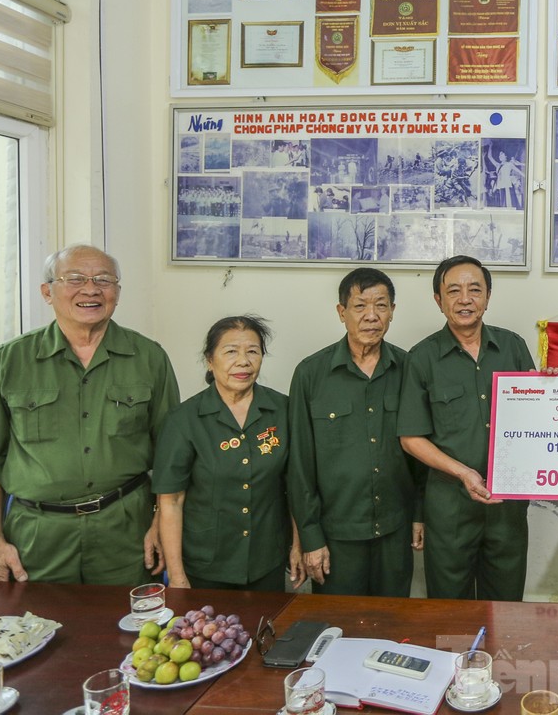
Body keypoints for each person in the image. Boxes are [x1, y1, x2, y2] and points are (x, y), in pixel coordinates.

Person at [0, 245, 179, 584]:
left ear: (117, 292)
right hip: (37, 537)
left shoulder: (149, 358)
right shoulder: (8, 362)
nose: (91, 289)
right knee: (38, 629)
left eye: (103, 280)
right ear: (46, 292)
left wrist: (159, 523)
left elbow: (171, 457)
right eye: (75, 279)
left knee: (131, 630)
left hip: (125, 531)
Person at [399, 255, 535, 601]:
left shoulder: (513, 346)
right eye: (454, 291)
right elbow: (412, 438)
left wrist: (550, 387)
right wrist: (463, 474)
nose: (465, 299)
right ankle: (452, 659)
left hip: (508, 507)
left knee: (504, 607)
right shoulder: (422, 357)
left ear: (488, 296)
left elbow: (538, 416)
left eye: (475, 290)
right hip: (450, 509)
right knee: (449, 611)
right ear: (438, 300)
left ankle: (497, 659)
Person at [287, 268, 423, 596]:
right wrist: (311, 538)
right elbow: (299, 465)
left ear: (392, 311)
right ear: (341, 312)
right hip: (335, 536)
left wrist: (419, 516)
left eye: (381, 306)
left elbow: (421, 452)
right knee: (338, 629)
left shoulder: (409, 369)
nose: (371, 316)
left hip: (395, 530)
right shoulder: (311, 374)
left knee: (393, 626)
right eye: (360, 306)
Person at [153, 316, 304, 591]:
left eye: (253, 351)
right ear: (210, 360)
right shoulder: (184, 420)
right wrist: (177, 577)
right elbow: (171, 501)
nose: (243, 361)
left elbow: (296, 485)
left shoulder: (284, 410)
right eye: (231, 351)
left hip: (267, 559)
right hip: (206, 563)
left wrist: (298, 545)